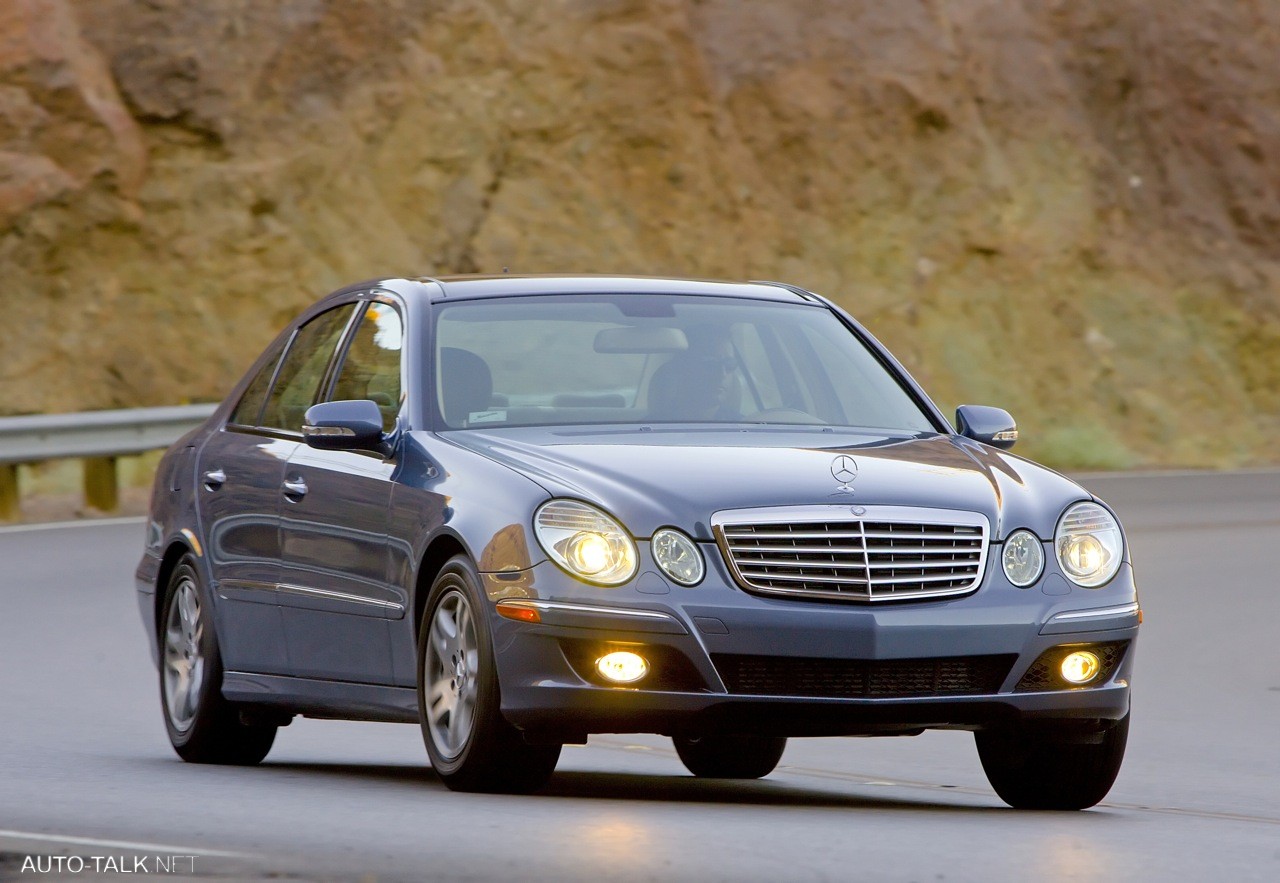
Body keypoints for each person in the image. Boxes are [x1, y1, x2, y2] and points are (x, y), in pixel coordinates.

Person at [647, 325, 743, 420]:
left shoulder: (747, 430)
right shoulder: (648, 432)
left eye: (729, 364)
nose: (722, 374)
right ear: (684, 369)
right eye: (710, 363)